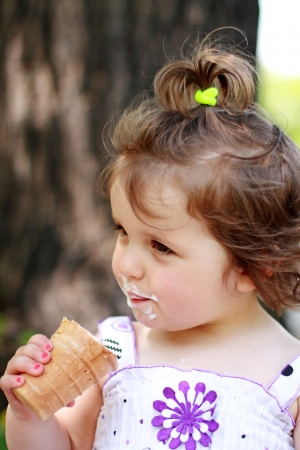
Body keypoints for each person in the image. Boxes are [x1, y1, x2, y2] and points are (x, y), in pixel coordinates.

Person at [1, 33, 300, 450]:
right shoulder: (116, 350)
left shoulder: (290, 377)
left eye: (161, 247)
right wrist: (29, 415)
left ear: (254, 265)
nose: (127, 265)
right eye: (123, 232)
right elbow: (64, 444)